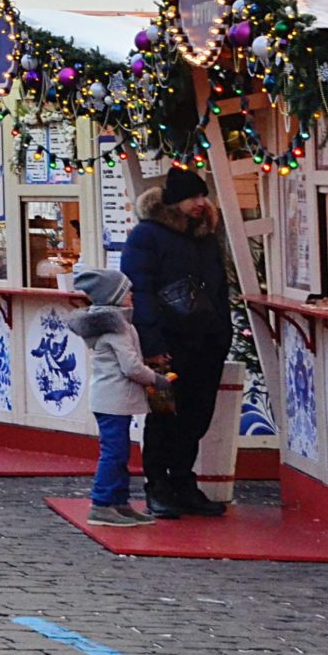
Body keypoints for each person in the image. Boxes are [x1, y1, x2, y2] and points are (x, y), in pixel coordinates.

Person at [121, 167, 232, 520]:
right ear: (174, 201)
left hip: (205, 343)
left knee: (197, 416)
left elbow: (219, 291)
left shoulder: (205, 238)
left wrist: (222, 334)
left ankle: (184, 482)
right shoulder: (147, 236)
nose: (200, 203)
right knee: (164, 415)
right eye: (192, 198)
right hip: (165, 345)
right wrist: (151, 341)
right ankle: (158, 485)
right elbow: (139, 289)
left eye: (202, 196)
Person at [65, 267, 164, 527]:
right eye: (126, 289)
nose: (131, 293)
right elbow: (130, 366)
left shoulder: (114, 324)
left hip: (111, 399)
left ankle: (118, 502)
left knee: (118, 452)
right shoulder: (117, 328)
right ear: (114, 296)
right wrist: (156, 378)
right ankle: (101, 503)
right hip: (113, 400)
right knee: (114, 453)